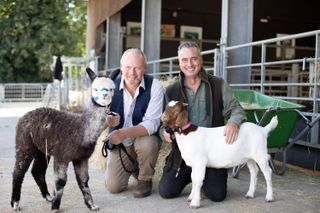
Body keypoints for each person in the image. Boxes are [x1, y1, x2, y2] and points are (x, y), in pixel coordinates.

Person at [158, 41, 246, 202]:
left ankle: (203, 180)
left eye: (194, 59)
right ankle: (193, 178)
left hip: (212, 152)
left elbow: (236, 109)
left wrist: (234, 122)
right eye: (184, 60)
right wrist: (163, 133)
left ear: (201, 59)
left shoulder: (218, 84)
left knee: (216, 195)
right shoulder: (171, 90)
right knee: (166, 191)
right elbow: (162, 123)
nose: (189, 64)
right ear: (179, 62)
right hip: (184, 152)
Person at [105, 48, 164, 198]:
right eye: (128, 67)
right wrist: (107, 120)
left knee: (148, 143)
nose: (132, 72)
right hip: (120, 143)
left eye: (137, 68)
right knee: (113, 187)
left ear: (144, 68)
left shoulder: (155, 86)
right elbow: (96, 113)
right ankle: (134, 167)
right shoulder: (109, 86)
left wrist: (124, 132)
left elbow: (152, 123)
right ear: (121, 67)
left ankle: (145, 179)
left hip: (141, 138)